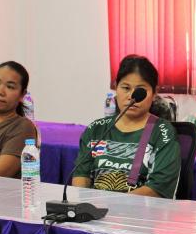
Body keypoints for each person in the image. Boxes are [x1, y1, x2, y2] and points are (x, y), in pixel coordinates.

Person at [72, 55, 181, 197]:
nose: (131, 96)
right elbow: (81, 176)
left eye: (140, 90)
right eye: (125, 88)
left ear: (154, 93)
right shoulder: (96, 129)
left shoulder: (163, 132)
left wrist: (114, 204)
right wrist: (84, 202)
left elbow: (159, 189)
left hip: (139, 209)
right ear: (116, 88)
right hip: (95, 207)